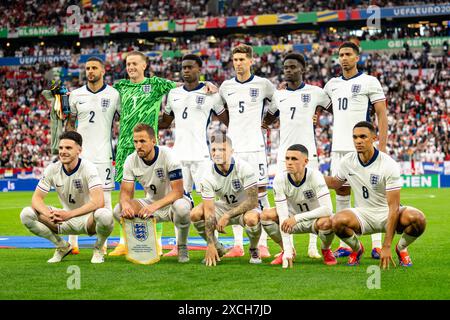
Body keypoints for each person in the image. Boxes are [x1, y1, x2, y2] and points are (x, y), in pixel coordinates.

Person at [111, 51, 216, 256]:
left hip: (149, 143)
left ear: (144, 65)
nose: (130, 67)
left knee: (158, 191)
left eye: (134, 63)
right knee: (126, 195)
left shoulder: (158, 84)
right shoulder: (120, 86)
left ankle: (160, 241)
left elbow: (185, 85)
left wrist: (209, 83)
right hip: (125, 145)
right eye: (128, 63)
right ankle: (126, 241)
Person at [324, 121, 426, 268]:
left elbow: (394, 208)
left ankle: (401, 248)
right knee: (336, 221)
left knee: (418, 219)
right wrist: (309, 175)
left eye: (363, 137)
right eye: (355, 137)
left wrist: (386, 246)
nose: (358, 141)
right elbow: (335, 183)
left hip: (387, 212)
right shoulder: (347, 162)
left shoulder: (388, 164)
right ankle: (357, 249)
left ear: (374, 138)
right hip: (362, 214)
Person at [262, 52, 331, 260]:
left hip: (309, 154)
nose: (288, 70)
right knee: (283, 200)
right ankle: (288, 249)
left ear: (303, 69)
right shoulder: (278, 95)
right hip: (283, 155)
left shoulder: (316, 92)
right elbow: (268, 118)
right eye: (286, 67)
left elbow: (334, 107)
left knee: (315, 200)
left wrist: (317, 113)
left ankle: (313, 246)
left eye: (293, 67)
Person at [323, 42, 388, 259]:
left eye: (348, 54)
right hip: (338, 147)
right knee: (341, 191)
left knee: (371, 192)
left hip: (362, 146)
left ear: (357, 57)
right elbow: (320, 105)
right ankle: (348, 244)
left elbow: (381, 114)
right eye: (341, 54)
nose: (344, 58)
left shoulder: (369, 81)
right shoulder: (331, 84)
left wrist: (382, 146)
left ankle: (377, 245)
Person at [159, 54, 229, 257]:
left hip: (201, 157)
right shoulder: (173, 94)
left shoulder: (211, 94)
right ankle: (179, 245)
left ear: (199, 69)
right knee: (178, 202)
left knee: (209, 201)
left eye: (190, 67)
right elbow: (165, 122)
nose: (186, 70)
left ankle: (215, 243)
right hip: (178, 157)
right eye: (183, 67)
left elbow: (228, 120)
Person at [19, 131, 114, 264]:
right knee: (26, 214)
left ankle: (98, 248)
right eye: (61, 148)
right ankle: (62, 246)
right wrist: (48, 213)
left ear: (79, 150)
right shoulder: (52, 169)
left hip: (87, 220)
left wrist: (69, 214)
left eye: (68, 148)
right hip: (62, 220)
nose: (63, 151)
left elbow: (99, 202)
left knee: (105, 215)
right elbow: (36, 199)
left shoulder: (88, 168)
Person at [218, 44, 273, 258]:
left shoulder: (263, 84)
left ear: (251, 61)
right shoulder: (225, 86)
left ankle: (264, 244)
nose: (238, 63)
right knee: (236, 196)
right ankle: (239, 245)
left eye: (242, 59)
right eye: (235, 60)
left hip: (255, 148)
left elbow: (277, 105)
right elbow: (218, 106)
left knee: (261, 194)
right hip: (234, 149)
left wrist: (266, 122)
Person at [112, 123, 192, 263]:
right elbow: (125, 193)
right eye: (135, 141)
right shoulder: (131, 160)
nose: (138, 145)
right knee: (118, 210)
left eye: (142, 141)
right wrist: (126, 205)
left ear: (154, 140)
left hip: (173, 202)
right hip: (151, 202)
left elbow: (178, 192)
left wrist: (154, 206)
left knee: (182, 208)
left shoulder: (168, 155)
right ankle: (144, 245)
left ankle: (182, 246)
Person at [65, 56, 121, 255]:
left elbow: (124, 120)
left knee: (105, 201)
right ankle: (72, 243)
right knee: (75, 197)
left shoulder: (114, 94)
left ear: (103, 70)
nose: (90, 71)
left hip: (104, 155)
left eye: (94, 68)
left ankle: (102, 244)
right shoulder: (75, 95)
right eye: (87, 68)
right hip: (80, 156)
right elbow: (70, 123)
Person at [190, 133, 262, 266]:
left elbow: (253, 201)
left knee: (252, 219)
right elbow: (209, 210)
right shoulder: (207, 175)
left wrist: (228, 215)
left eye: (222, 150)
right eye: (214, 150)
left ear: (231, 151)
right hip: (224, 205)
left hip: (246, 207)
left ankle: (253, 248)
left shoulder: (244, 167)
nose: (217, 153)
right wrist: (210, 244)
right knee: (195, 214)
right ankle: (218, 248)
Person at [261, 144, 337, 268]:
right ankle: (287, 250)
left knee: (328, 221)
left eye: (294, 159)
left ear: (305, 161)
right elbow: (283, 215)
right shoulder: (279, 179)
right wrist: (287, 250)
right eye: (287, 158)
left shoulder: (315, 176)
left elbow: (328, 209)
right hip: (291, 219)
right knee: (266, 215)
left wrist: (297, 218)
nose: (289, 162)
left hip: (315, 220)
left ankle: (326, 250)